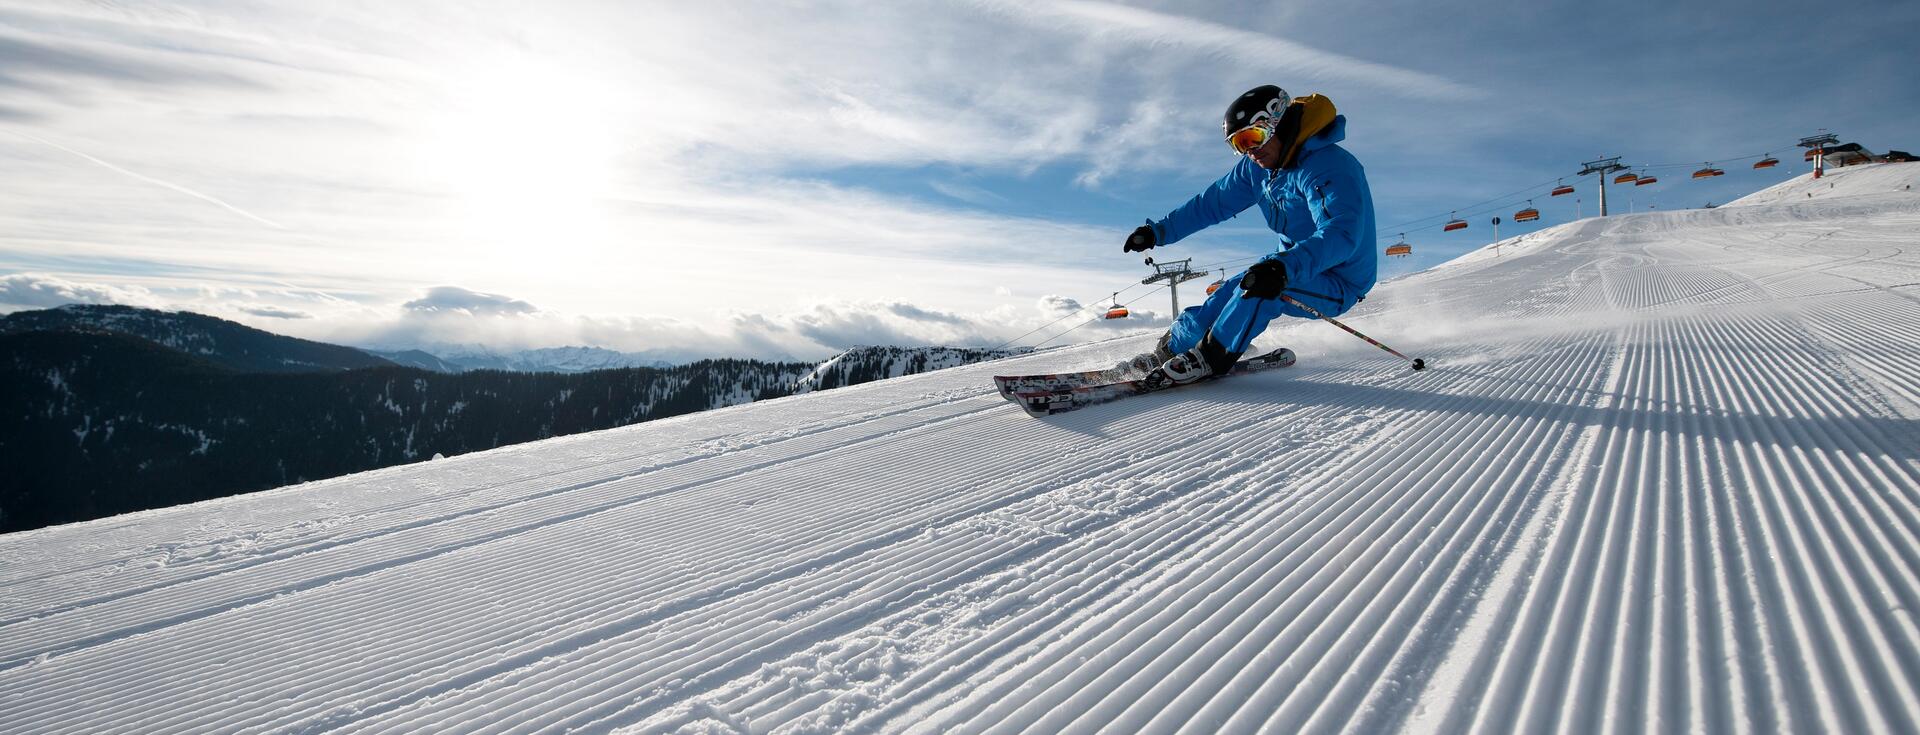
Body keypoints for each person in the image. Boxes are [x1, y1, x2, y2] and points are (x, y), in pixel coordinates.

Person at [1122, 85, 1377, 384]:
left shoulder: (1328, 166)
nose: (1250, 151)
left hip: (1338, 278)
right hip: (1284, 267)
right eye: (1239, 144)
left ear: (1277, 124)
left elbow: (1342, 234)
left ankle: (1210, 357)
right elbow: (1210, 203)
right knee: (1225, 295)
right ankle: (1167, 352)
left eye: (1253, 137)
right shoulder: (1258, 169)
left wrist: (1283, 267)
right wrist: (1158, 232)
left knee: (1261, 291)